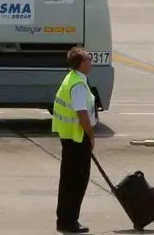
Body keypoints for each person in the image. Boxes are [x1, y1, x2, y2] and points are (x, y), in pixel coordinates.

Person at [52, 46, 97, 234]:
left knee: (69, 180)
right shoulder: (78, 84)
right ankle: (69, 221)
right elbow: (82, 113)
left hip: (70, 136)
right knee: (77, 182)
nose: (91, 62)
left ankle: (65, 219)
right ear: (81, 63)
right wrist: (90, 135)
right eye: (89, 59)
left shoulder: (72, 78)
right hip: (77, 138)